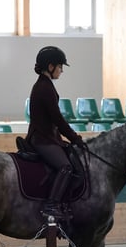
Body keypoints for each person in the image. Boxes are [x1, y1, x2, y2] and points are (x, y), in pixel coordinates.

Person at [25, 45, 86, 220]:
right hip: (42, 139)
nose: (61, 71)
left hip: (48, 137)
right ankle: (51, 205)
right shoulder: (44, 88)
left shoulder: (45, 85)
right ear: (50, 66)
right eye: (60, 67)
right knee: (66, 167)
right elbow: (57, 119)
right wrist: (75, 138)